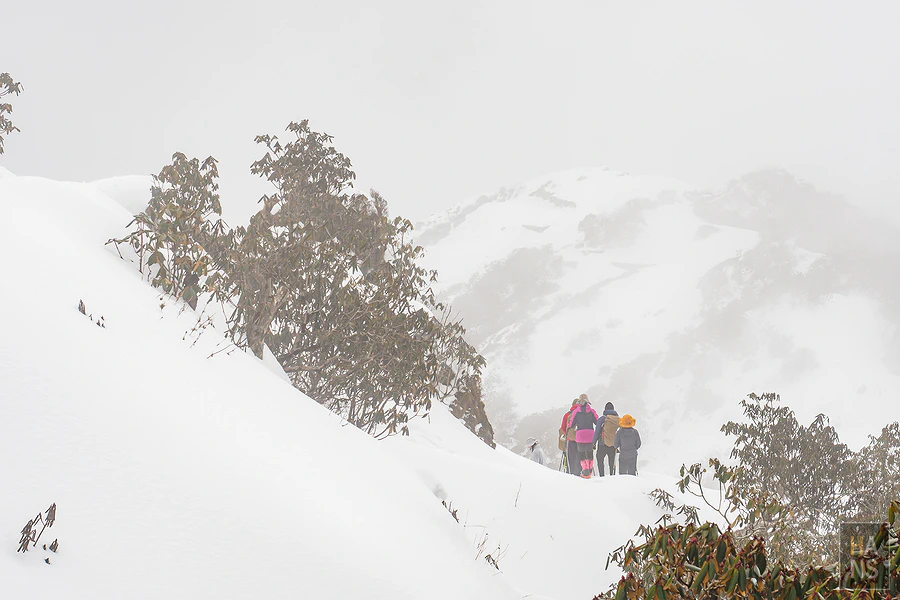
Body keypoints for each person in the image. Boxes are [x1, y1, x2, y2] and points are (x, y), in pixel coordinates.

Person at [567, 393, 599, 478]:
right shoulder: (592, 411)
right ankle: (590, 470)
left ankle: (585, 471)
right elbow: (597, 421)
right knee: (589, 453)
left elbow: (572, 424)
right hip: (590, 435)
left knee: (581, 454)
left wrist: (569, 428)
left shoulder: (576, 411)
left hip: (580, 436)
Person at [592, 401, 620, 476]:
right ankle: (612, 475)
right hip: (613, 445)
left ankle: (602, 475)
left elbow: (597, 432)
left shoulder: (602, 419)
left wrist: (593, 443)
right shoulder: (617, 419)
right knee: (611, 461)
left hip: (602, 444)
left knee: (600, 459)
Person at [559, 399, 580, 475]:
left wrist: (567, 434)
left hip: (570, 440)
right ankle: (579, 474)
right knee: (579, 457)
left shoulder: (567, 414)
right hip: (581, 440)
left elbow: (563, 427)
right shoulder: (583, 414)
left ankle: (571, 474)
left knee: (571, 458)